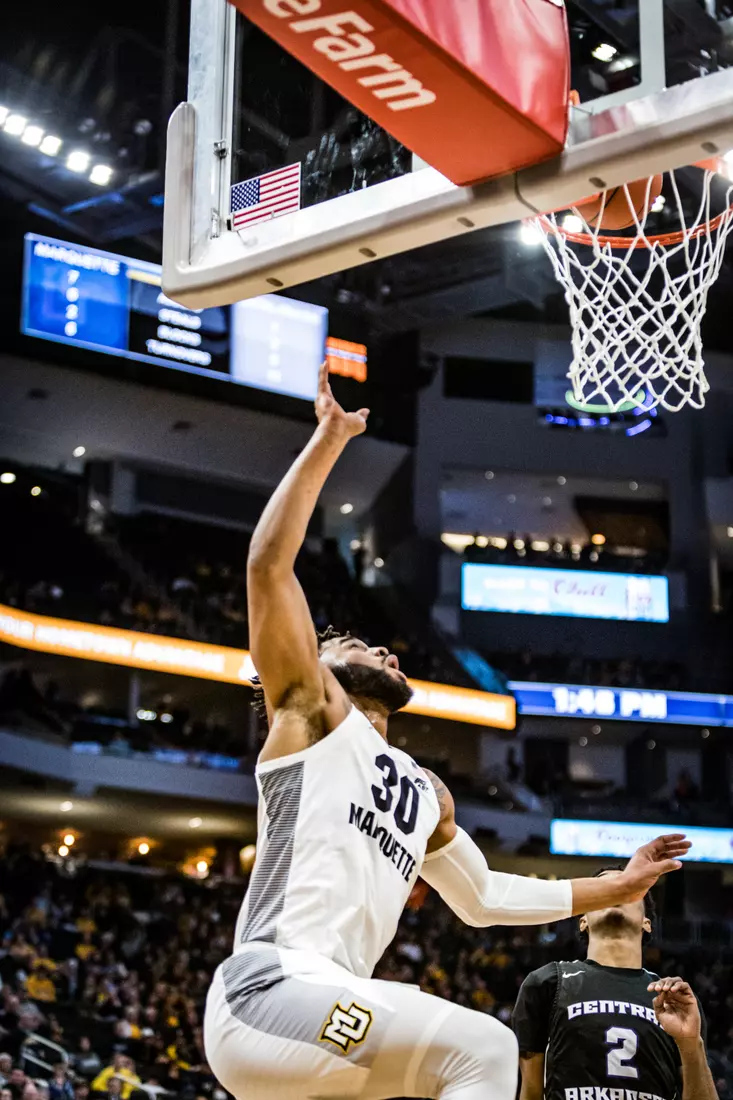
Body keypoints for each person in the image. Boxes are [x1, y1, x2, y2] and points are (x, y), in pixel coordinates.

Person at [204, 364, 691, 1100]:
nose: (383, 649)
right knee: (483, 1048)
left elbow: (483, 898)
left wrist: (614, 886)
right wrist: (330, 440)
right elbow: (268, 566)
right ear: (320, 667)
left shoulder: (424, 792)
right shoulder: (308, 718)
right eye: (355, 645)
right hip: (269, 990)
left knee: (462, 1064)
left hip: (324, 1021)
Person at [513, 865, 716, 1100]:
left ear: (646, 922)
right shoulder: (547, 982)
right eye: (604, 889)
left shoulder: (673, 1000)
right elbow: (530, 1093)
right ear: (583, 921)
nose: (616, 893)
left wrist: (691, 1044)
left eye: (629, 890)